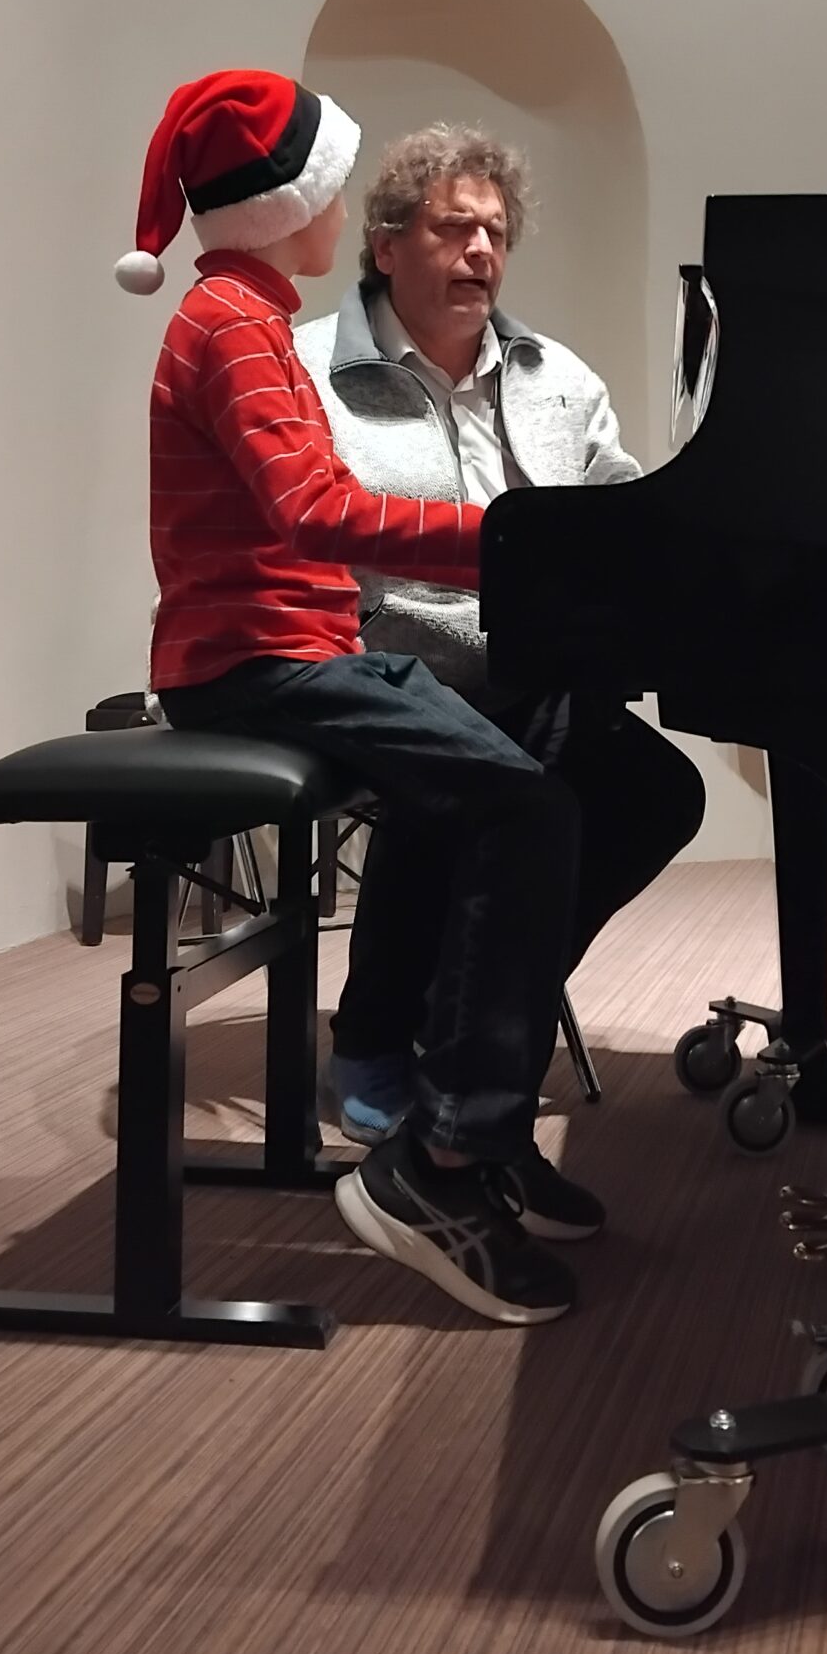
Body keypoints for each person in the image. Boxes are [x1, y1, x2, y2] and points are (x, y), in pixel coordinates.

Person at [115, 69, 599, 1328]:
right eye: (336, 190)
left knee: (541, 763)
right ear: (295, 204)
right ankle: (439, 1159)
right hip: (252, 665)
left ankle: (465, 1117)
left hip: (298, 649)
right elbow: (316, 512)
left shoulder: (248, 314)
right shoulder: (232, 324)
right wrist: (512, 544)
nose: (344, 214)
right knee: (527, 806)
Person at [295, 125, 705, 1143]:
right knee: (495, 753)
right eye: (452, 228)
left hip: (535, 665)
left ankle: (467, 1008)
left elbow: (618, 506)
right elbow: (296, 540)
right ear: (387, 245)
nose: (480, 249)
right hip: (382, 664)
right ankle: (379, 1033)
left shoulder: (555, 375)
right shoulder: (309, 370)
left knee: (659, 792)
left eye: (495, 232)